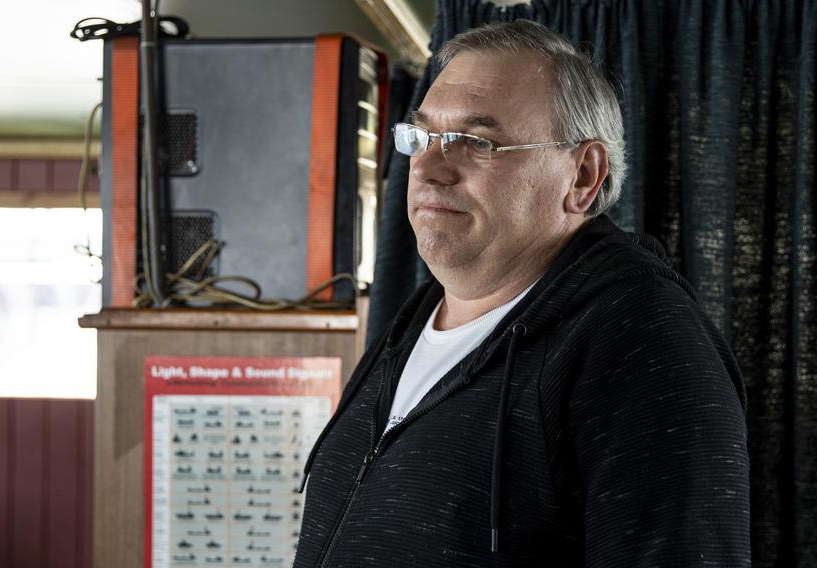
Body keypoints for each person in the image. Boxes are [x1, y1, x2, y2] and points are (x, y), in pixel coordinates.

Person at [293, 19, 750, 567]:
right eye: (421, 137)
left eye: (476, 142)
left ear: (582, 175)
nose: (430, 170)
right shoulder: (415, 319)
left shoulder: (641, 338)